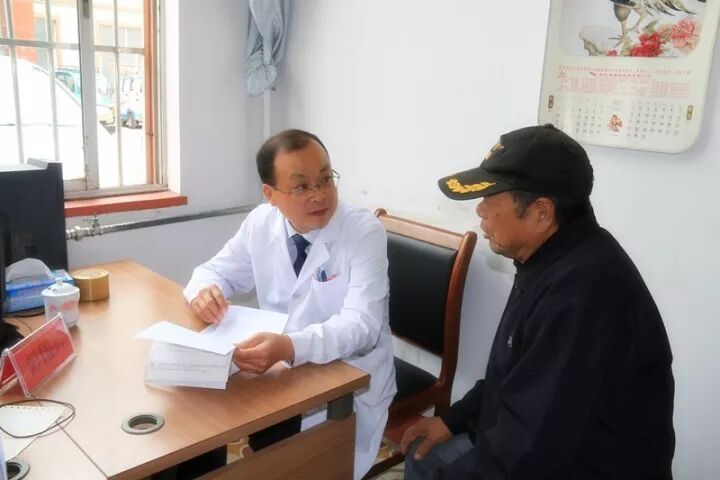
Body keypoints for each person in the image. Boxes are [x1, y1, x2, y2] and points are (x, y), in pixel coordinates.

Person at [400, 124, 675, 479]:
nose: (480, 210)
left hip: (580, 466)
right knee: (423, 456)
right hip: (536, 444)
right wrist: (453, 420)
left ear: (541, 213)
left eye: (490, 198)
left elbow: (527, 453)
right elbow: (513, 379)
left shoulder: (580, 297)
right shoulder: (552, 258)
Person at [183, 129, 396, 479]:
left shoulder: (363, 231)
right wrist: (203, 292)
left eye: (326, 179)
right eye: (301, 187)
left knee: (317, 464)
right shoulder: (260, 223)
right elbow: (212, 272)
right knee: (207, 422)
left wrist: (290, 347)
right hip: (280, 376)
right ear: (270, 194)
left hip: (347, 375)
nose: (320, 195)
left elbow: (362, 326)